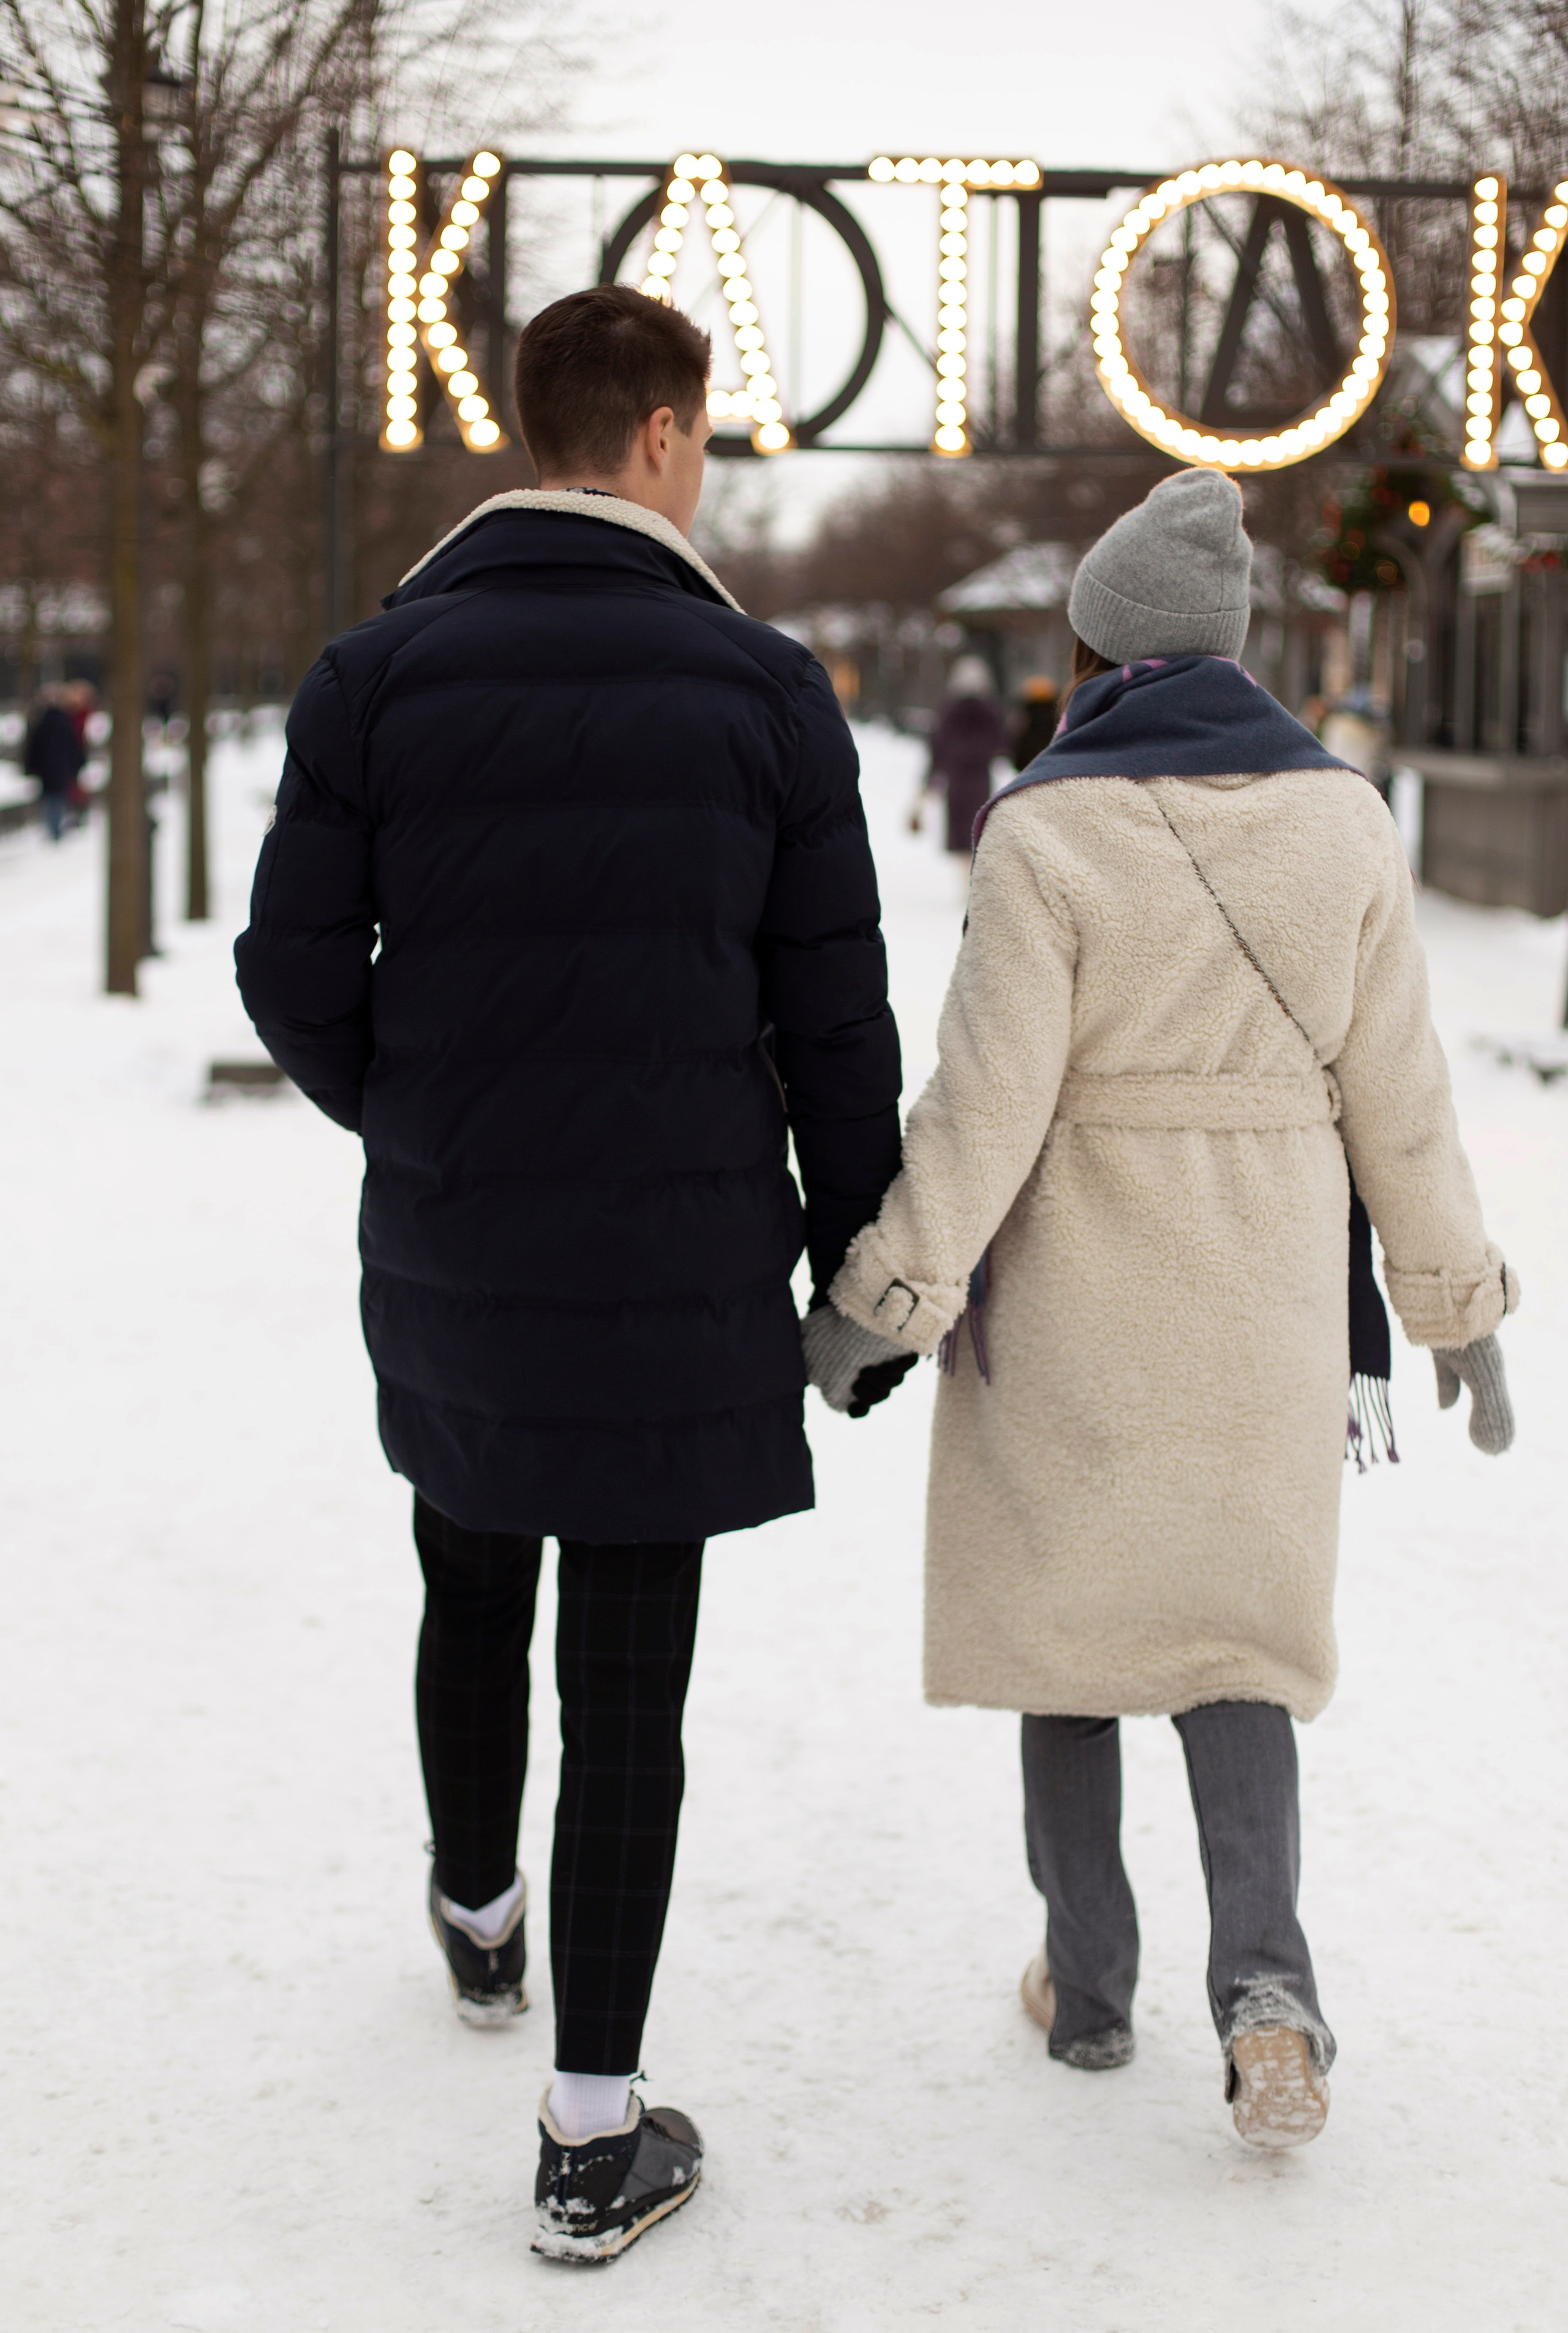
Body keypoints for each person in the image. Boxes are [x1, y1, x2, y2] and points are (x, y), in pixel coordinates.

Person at [235, 285, 910, 2261]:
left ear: (528, 429)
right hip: (687, 1249)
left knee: (466, 1561)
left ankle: (476, 1919)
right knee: (630, 1681)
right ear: (671, 436)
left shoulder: (375, 675)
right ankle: (593, 2131)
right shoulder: (770, 692)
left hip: (461, 1231)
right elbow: (839, 1024)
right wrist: (862, 1260)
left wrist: (428, 1118)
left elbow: (289, 974)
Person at [806, 467, 1519, 2149]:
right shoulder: (1346, 821)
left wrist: (878, 1307)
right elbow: (1399, 1099)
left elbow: (985, 1113)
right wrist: (1454, 1312)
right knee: (1235, 1644)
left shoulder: (1051, 829)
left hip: (1078, 1307)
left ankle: (1091, 1986)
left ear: (1100, 641)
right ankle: (1269, 1996)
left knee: (1069, 1639)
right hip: (1268, 1311)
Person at [915, 655, 1006, 858]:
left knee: (962, 842)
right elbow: (1002, 744)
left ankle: (965, 884)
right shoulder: (991, 711)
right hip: (980, 781)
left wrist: (929, 782)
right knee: (979, 835)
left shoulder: (949, 711)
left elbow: (938, 747)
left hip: (957, 782)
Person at [23, 685, 85, 840]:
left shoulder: (42, 725)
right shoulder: (65, 724)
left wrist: (31, 767)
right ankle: (56, 829)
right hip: (62, 769)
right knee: (59, 797)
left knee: (51, 798)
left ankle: (53, 828)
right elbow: (74, 747)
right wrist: (77, 765)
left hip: (46, 771)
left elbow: (33, 749)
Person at [1009, 674, 1060, 772]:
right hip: (1051, 763)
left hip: (1028, 765)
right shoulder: (1057, 714)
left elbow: (1017, 738)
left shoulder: (1023, 714)